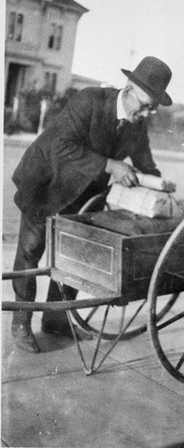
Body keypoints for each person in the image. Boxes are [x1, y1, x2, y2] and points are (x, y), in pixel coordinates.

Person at [11, 56, 173, 353]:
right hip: (45, 182)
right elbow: (60, 146)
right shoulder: (90, 101)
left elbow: (145, 163)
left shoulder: (137, 125)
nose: (148, 113)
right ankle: (21, 322)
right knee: (30, 254)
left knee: (74, 258)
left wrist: (161, 189)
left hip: (83, 194)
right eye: (146, 104)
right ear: (129, 89)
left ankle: (56, 320)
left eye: (153, 108)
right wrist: (111, 165)